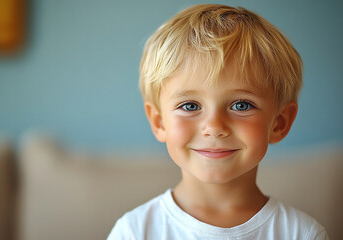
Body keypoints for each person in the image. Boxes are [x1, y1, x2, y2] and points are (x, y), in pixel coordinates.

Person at [107, 4, 329, 239]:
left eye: (241, 105)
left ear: (279, 123)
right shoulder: (134, 231)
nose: (214, 127)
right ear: (159, 122)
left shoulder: (302, 234)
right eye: (190, 106)